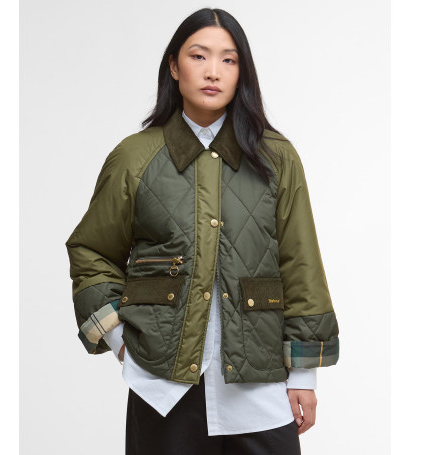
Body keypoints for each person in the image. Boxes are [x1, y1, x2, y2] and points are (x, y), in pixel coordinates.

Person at [65, 7, 340, 455]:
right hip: (162, 382)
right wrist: (118, 339)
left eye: (229, 60)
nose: (214, 71)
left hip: (259, 380)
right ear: (174, 66)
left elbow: (301, 263)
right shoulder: (134, 157)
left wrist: (304, 375)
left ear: (242, 72)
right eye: (199, 56)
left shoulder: (277, 158)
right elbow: (91, 251)